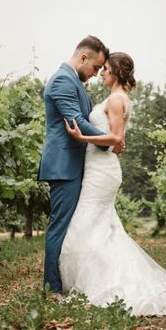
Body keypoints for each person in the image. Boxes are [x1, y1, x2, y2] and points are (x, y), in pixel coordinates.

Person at [59, 52, 166, 316]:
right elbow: (116, 139)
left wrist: (81, 138)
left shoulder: (117, 99)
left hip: (102, 172)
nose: (102, 72)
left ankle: (103, 285)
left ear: (116, 71)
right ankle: (96, 280)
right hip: (98, 168)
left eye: (105, 68)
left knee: (84, 225)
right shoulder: (114, 98)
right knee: (101, 227)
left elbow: (116, 138)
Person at [38, 36, 125, 295]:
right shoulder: (63, 80)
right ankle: (52, 289)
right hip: (64, 165)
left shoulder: (75, 80)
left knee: (74, 226)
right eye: (96, 67)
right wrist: (110, 142)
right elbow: (76, 123)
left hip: (77, 164)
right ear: (84, 57)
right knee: (61, 225)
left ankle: (69, 281)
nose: (97, 73)